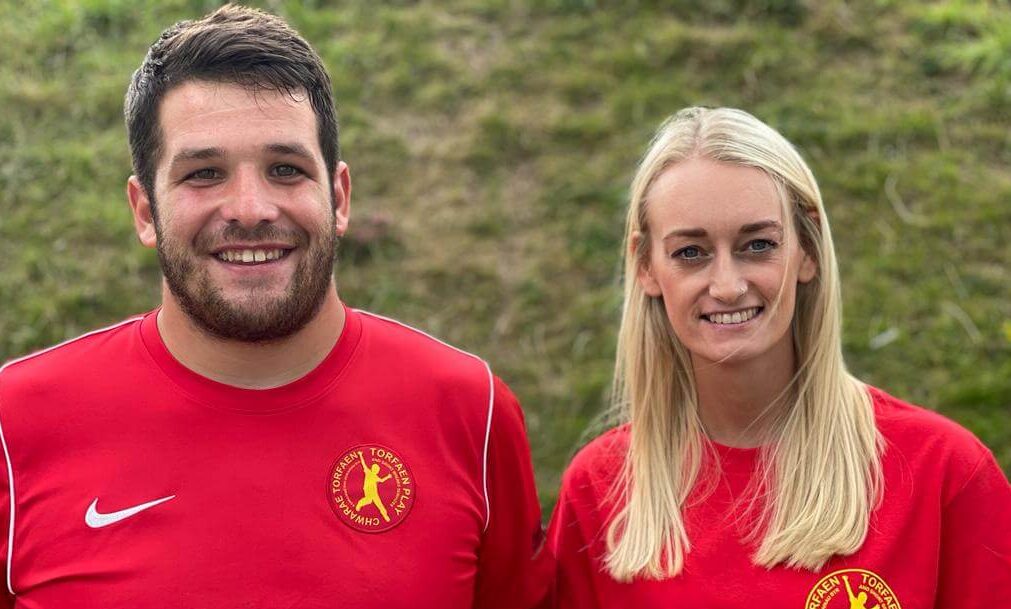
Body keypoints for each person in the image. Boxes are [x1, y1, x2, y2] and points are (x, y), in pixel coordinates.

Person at [0, 5, 548, 608]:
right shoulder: (16, 424)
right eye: (204, 173)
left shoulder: (472, 409)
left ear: (338, 197)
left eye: (285, 169)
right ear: (144, 211)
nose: (251, 208)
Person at [544, 107, 1011, 608]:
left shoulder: (942, 471)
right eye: (690, 253)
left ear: (806, 250)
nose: (727, 286)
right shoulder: (600, 489)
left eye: (758, 245)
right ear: (645, 266)